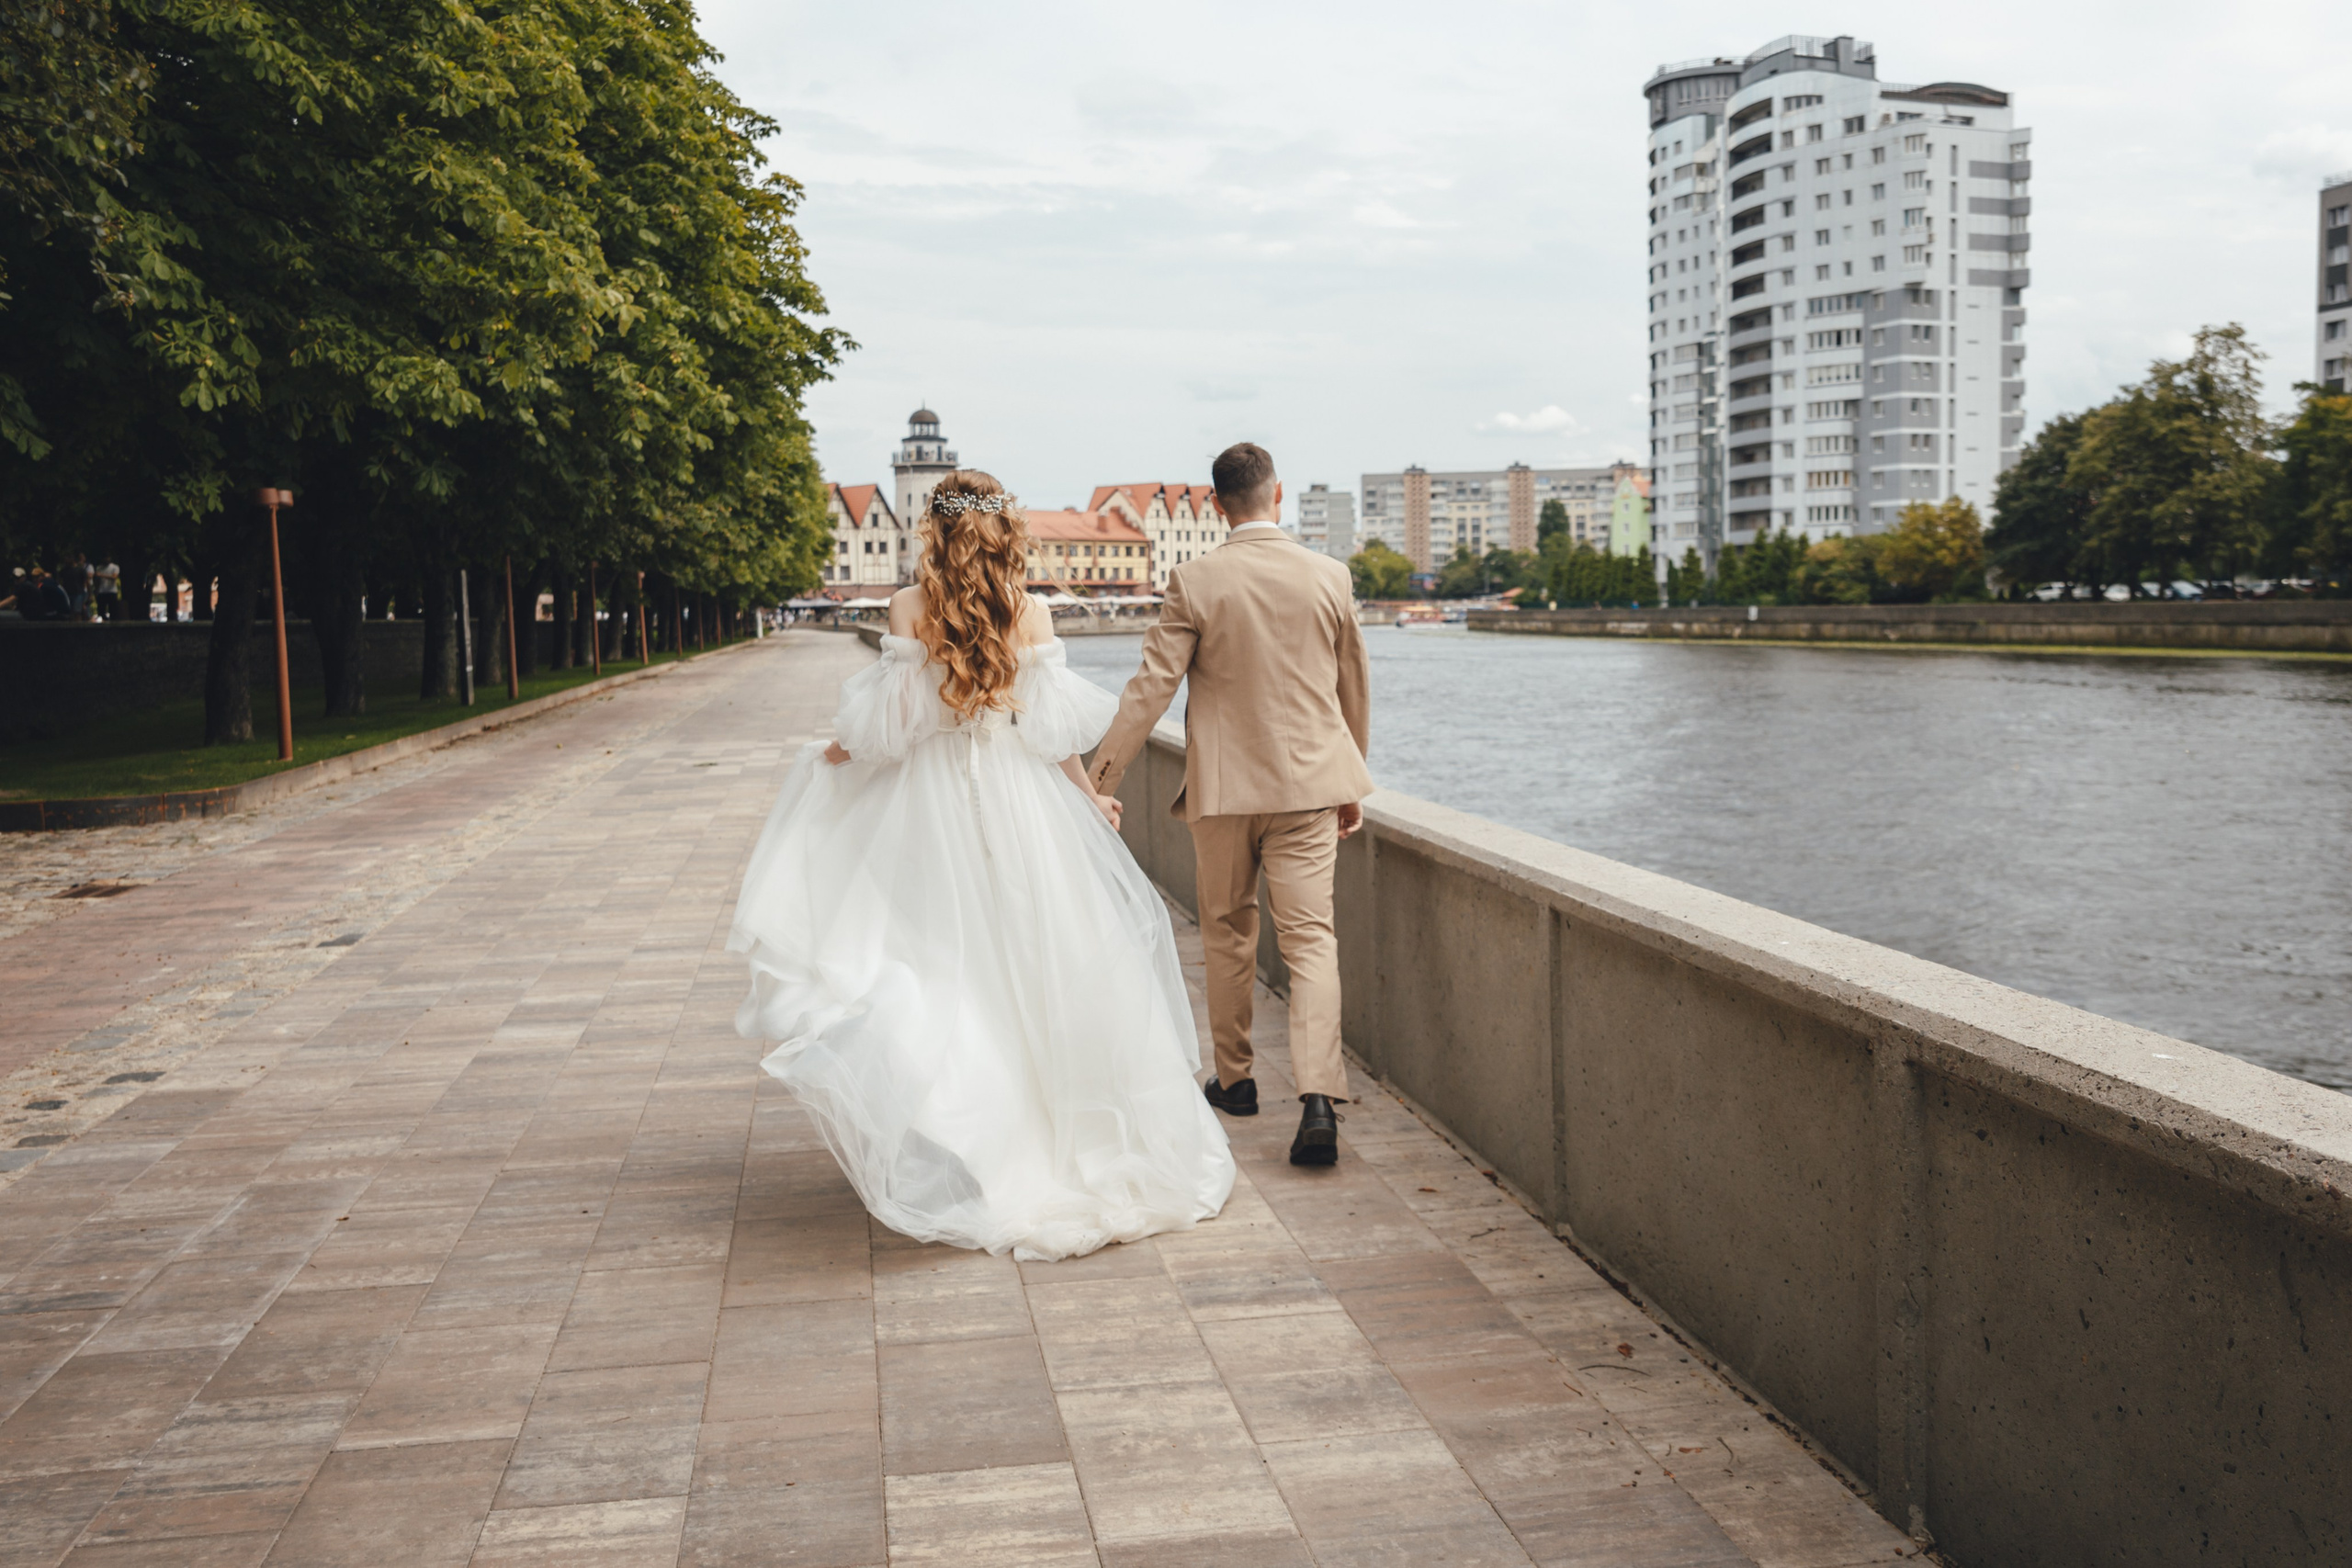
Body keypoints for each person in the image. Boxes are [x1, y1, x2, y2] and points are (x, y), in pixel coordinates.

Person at [729, 469, 1235, 1261]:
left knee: (935, 965)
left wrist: (826, 757)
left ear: (936, 531)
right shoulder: (1029, 610)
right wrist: (1086, 797)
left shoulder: (907, 606)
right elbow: (1051, 732)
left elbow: (888, 728)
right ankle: (1052, 1134)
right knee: (1037, 966)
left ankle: (974, 1137)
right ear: (1005, 531)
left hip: (927, 811)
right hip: (1020, 806)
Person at [1089, 442, 1373, 1167]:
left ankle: (1237, 1079)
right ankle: (1317, 1098)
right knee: (1311, 941)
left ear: (1217, 505)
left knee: (1227, 930)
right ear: (1277, 497)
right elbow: (1353, 688)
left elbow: (1150, 689)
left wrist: (1102, 778)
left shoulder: (1195, 580)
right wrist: (1352, 777)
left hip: (1222, 790)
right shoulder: (1329, 575)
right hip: (1311, 787)